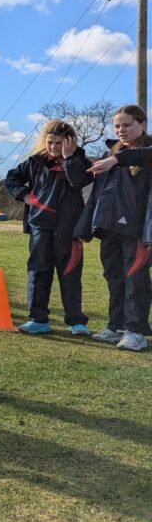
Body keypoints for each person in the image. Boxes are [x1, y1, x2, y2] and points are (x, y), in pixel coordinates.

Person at [4, 120, 93, 335]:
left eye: (59, 143)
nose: (54, 147)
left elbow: (80, 181)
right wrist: (24, 195)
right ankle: (38, 319)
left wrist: (70, 158)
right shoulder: (35, 161)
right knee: (38, 272)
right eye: (50, 142)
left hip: (69, 229)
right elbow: (11, 178)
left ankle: (75, 321)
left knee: (70, 275)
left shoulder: (80, 161)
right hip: (40, 226)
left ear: (70, 142)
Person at [81, 105, 152, 352]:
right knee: (114, 278)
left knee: (136, 281)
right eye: (117, 126)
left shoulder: (144, 152)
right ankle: (117, 326)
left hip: (138, 231)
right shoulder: (111, 153)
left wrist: (115, 159)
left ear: (142, 124)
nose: (121, 130)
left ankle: (137, 331)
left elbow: (142, 156)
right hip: (110, 228)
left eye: (127, 125)